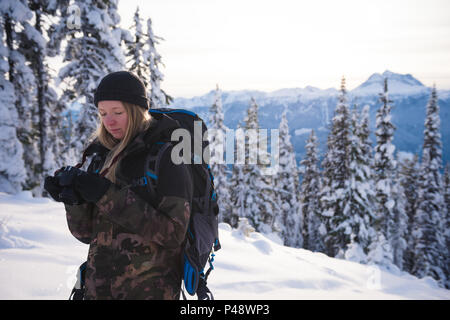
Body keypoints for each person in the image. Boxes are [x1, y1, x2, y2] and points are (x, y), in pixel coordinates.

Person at [44, 71, 193, 300]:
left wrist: (105, 194)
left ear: (136, 110)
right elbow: (86, 234)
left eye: (118, 112)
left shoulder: (167, 157)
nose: (109, 121)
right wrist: (74, 200)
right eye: (102, 113)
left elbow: (173, 234)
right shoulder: (101, 156)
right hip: (98, 291)